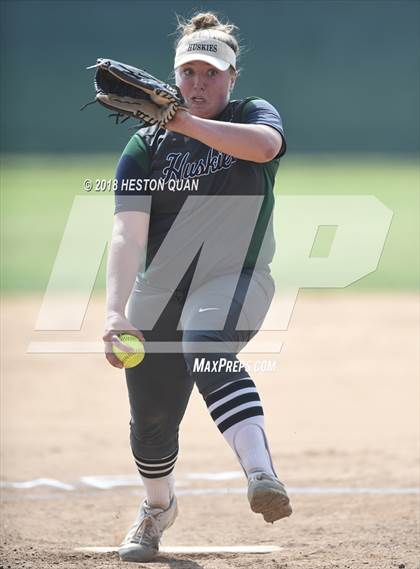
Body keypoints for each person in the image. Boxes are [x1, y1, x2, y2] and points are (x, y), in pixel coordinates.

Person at [103, 11, 292, 564]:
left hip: (237, 277)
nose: (199, 83)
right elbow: (126, 232)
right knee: (151, 420)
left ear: (233, 77)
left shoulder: (252, 115)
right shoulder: (144, 146)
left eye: (211, 72)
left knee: (205, 342)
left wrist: (185, 124)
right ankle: (157, 508)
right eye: (188, 72)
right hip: (159, 291)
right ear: (171, 78)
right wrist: (116, 311)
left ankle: (261, 474)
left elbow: (263, 147)